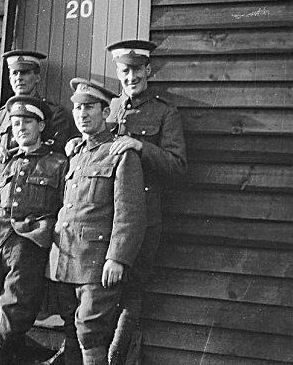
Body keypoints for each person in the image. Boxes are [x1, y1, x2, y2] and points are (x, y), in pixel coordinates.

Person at [46, 78, 146, 365]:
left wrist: (118, 258)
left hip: (96, 263)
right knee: (71, 327)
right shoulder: (76, 153)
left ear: (105, 112)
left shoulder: (120, 154)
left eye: (89, 107)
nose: (82, 114)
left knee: (90, 332)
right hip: (65, 260)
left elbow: (130, 213)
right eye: (77, 108)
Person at [104, 39, 187, 364]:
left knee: (131, 289)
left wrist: (140, 147)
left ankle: (115, 354)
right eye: (125, 71)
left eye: (137, 69)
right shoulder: (109, 108)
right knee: (94, 285)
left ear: (148, 69)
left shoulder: (165, 113)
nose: (131, 77)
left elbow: (178, 168)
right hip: (105, 214)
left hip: (144, 216)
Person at [0, 96, 68, 364]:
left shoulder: (58, 163)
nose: (20, 128)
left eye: (27, 122)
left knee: (16, 305)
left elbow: (63, 207)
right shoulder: (3, 162)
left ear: (41, 125)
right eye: (14, 123)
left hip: (27, 240)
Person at [0, 50, 75, 172]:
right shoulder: (1, 116)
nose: (19, 78)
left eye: (25, 73)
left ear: (37, 77)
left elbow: (57, 151)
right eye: (14, 73)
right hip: (3, 182)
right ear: (10, 78)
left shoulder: (54, 113)